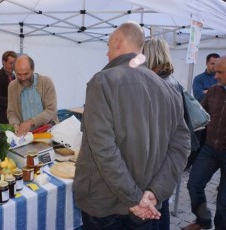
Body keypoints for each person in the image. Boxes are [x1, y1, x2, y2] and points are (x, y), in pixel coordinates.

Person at [73, 22, 190, 230]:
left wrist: (136, 199)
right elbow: (181, 147)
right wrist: (154, 193)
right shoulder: (168, 89)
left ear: (118, 43)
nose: (107, 53)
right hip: (146, 204)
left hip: (105, 207)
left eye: (108, 46)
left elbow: (103, 149)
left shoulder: (103, 82)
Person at [143, 38, 199, 230]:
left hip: (162, 155)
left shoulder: (159, 83)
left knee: (156, 205)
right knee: (163, 203)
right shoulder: (170, 80)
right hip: (170, 153)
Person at [183, 56, 226, 230]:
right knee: (194, 184)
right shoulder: (214, 91)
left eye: (220, 72)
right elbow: (199, 116)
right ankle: (203, 220)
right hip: (209, 148)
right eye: (215, 71)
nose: (215, 76)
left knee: (224, 202)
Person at [7, 55, 58, 137]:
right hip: (26, 135)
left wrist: (30, 122)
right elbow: (11, 112)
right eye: (19, 74)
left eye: (26, 74)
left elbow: (51, 110)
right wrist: (15, 124)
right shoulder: (12, 86)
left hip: (48, 132)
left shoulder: (46, 82)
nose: (23, 78)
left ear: (32, 69)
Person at [187, 53, 220, 170]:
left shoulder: (220, 78)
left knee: (208, 145)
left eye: (217, 64)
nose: (214, 66)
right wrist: (213, 94)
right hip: (202, 118)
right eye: (212, 63)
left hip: (216, 120)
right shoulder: (199, 78)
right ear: (206, 63)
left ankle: (201, 166)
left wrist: (208, 92)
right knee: (197, 143)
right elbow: (199, 97)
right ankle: (188, 164)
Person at [0, 51, 17, 124]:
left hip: (11, 117)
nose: (13, 66)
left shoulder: (14, 76)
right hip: (0, 119)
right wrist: (14, 102)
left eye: (14, 63)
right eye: (11, 63)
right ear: (3, 62)